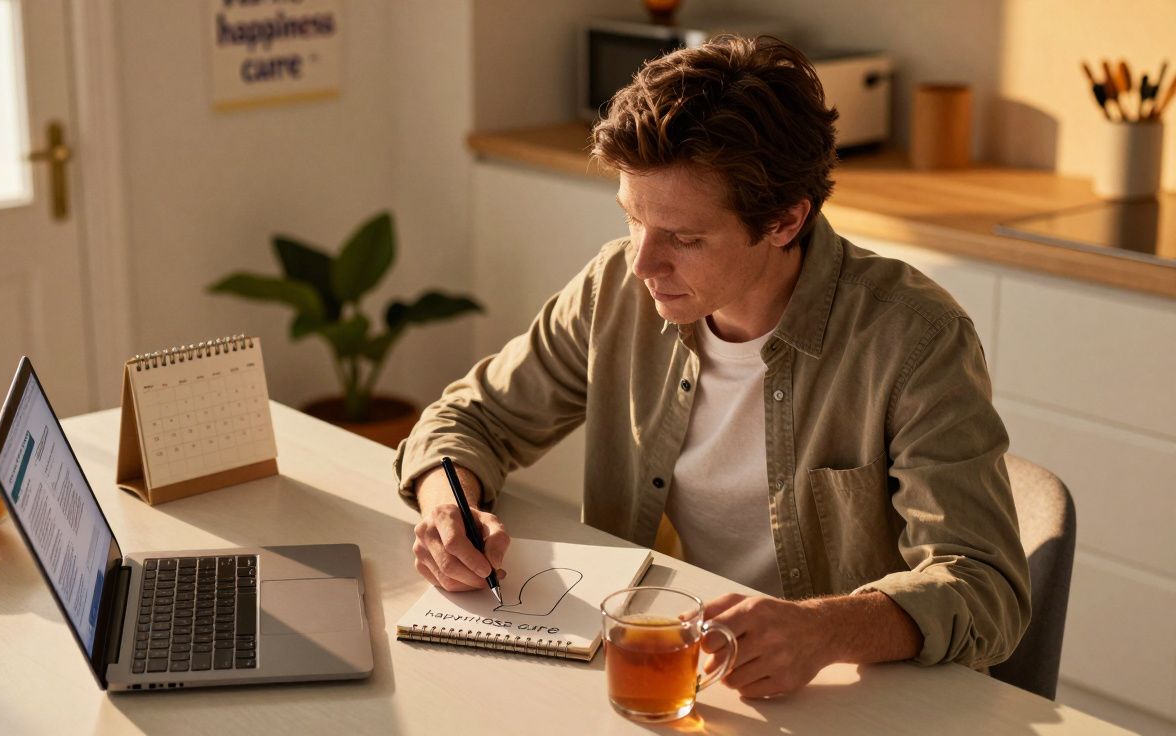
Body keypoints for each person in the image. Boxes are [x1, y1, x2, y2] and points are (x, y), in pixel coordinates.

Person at [394, 35, 1030, 698]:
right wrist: (449, 509)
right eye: (633, 219)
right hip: (665, 673)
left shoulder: (915, 339)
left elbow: (986, 587)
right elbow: (471, 417)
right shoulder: (616, 287)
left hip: (851, 699)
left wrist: (825, 629)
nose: (642, 263)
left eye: (685, 238)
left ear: (785, 221)